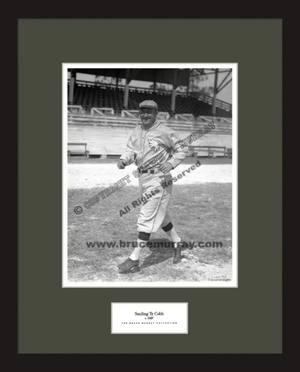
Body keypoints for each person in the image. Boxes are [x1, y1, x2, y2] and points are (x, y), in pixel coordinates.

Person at [117, 100, 188, 273]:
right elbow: (131, 150)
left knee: (146, 216)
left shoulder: (165, 131)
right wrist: (124, 159)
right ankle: (178, 243)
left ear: (156, 113)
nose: (145, 115)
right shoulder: (137, 130)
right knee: (161, 216)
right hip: (143, 177)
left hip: (160, 178)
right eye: (142, 111)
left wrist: (171, 163)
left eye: (149, 112)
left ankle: (134, 258)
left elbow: (182, 148)